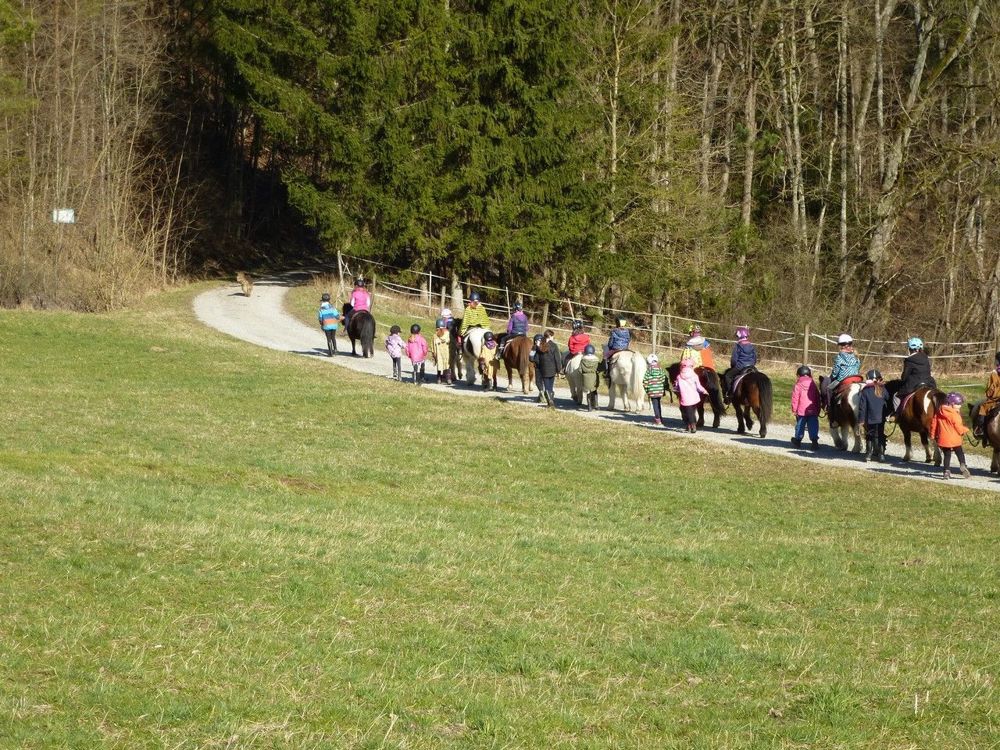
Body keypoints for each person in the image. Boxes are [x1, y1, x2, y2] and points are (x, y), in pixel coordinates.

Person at [930, 392, 971, 479]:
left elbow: (934, 425)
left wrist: (933, 436)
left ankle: (946, 471)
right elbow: (958, 427)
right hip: (955, 439)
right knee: (959, 453)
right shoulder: (954, 414)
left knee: (947, 455)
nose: (960, 406)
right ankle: (963, 465)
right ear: (952, 404)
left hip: (943, 439)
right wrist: (965, 430)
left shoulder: (938, 412)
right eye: (958, 404)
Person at [857, 369, 891, 462]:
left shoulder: (865, 390)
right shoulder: (883, 389)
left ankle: (868, 454)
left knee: (869, 434)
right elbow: (887, 399)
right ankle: (881, 455)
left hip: (870, 418)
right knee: (880, 434)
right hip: (881, 418)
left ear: (868, 378)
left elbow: (862, 407)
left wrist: (861, 420)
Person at [722, 326, 758, 402]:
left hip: (740, 367)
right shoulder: (751, 346)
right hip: (751, 366)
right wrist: (752, 364)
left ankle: (729, 394)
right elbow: (755, 358)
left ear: (739, 336)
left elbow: (734, 359)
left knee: (727, 376)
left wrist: (733, 367)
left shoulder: (738, 346)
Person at [826, 333, 862, 408]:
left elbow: (836, 372)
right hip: (857, 378)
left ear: (841, 345)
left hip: (843, 379)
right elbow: (858, 366)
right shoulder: (855, 355)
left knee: (828, 389)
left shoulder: (839, 357)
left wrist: (832, 376)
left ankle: (829, 408)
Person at [790, 365, 821, 450]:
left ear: (799, 375)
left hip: (801, 410)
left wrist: (794, 409)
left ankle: (798, 440)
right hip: (813, 410)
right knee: (813, 425)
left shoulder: (798, 385)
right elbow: (817, 398)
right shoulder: (813, 385)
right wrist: (818, 409)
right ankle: (814, 442)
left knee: (800, 425)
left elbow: (795, 398)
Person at [971, 352, 1000, 442]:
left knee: (983, 407)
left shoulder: (994, 373)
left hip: (997, 398)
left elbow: (991, 391)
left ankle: (980, 429)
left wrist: (989, 393)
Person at [675, 358, 708, 433]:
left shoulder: (679, 376)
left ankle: (691, 425)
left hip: (685, 398)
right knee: (692, 412)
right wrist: (704, 391)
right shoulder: (694, 375)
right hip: (694, 397)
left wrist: (676, 389)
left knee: (687, 412)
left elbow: (676, 387)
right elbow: (698, 386)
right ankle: (692, 425)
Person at [535, 329, 561, 408]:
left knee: (546, 386)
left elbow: (536, 359)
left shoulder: (540, 346)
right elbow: (557, 359)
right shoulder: (554, 345)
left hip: (543, 369)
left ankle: (550, 402)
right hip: (552, 369)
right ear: (550, 336)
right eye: (552, 336)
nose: (553, 338)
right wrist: (558, 370)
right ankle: (551, 402)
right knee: (550, 386)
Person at [643, 353, 667, 426]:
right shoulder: (661, 370)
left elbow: (645, 381)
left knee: (655, 405)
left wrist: (647, 390)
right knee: (658, 404)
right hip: (659, 391)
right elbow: (664, 379)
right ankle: (660, 418)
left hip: (652, 391)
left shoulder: (648, 371)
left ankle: (658, 420)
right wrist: (663, 388)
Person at [580, 344, 601, 411]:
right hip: (594, 377)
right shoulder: (596, 360)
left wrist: (584, 374)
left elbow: (580, 370)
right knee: (594, 391)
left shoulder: (582, 360)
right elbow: (599, 368)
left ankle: (589, 406)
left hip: (585, 378)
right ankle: (596, 405)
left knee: (588, 392)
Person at [431, 318, 452, 384]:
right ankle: (446, 379)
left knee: (442, 365)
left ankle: (440, 378)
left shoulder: (436, 335)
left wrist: (433, 352)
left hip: (443, 353)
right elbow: (433, 345)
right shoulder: (447, 334)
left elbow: (432, 345)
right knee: (446, 365)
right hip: (445, 353)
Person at [529, 333, 545, 402]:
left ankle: (541, 392)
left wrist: (535, 360)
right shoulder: (546, 347)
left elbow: (531, 358)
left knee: (538, 381)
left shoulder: (534, 347)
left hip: (538, 366)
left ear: (535, 341)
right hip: (547, 367)